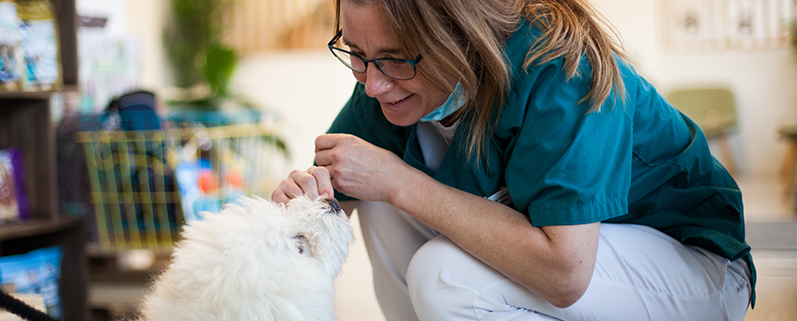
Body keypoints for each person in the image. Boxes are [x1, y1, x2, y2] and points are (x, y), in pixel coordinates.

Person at [271, 0, 755, 320]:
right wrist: (302, 204)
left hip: (692, 270)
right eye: (355, 54)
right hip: (573, 268)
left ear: (458, 35)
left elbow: (565, 274)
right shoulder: (386, 82)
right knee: (377, 202)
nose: (372, 84)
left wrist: (402, 182)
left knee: (444, 273)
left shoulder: (559, 68)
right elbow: (334, 197)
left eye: (396, 59)